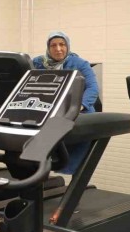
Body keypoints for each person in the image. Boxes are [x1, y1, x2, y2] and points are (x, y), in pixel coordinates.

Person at [32, 31, 100, 174]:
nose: (58, 49)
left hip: (79, 112)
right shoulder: (39, 63)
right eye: (53, 45)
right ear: (48, 48)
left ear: (67, 46)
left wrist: (79, 106)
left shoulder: (79, 63)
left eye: (62, 44)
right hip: (52, 113)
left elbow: (93, 88)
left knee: (71, 160)